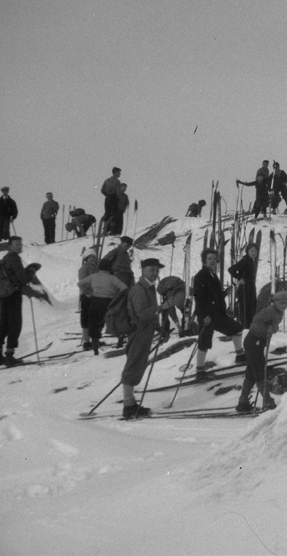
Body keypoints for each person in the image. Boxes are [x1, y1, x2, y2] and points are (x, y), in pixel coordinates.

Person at [121, 258, 172, 419]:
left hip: (146, 332)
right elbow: (143, 313)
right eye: (152, 270)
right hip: (138, 332)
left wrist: (159, 328)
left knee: (138, 365)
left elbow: (149, 313)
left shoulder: (149, 288)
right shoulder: (139, 289)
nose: (155, 273)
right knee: (133, 365)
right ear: (142, 270)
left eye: (157, 270)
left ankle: (131, 403)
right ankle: (128, 406)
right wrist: (163, 307)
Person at [235, 290, 287, 413]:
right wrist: (266, 328)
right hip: (254, 341)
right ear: (274, 302)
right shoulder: (270, 311)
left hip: (258, 343)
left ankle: (243, 402)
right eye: (281, 302)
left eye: (286, 302)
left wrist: (272, 329)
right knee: (259, 371)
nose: (284, 305)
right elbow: (256, 320)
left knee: (251, 372)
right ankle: (267, 402)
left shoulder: (279, 312)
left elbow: (273, 326)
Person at [192, 248, 244, 374]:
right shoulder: (200, 276)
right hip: (207, 316)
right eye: (210, 259)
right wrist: (204, 316)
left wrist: (224, 294)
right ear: (204, 260)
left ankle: (240, 356)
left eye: (214, 259)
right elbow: (200, 298)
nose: (212, 261)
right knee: (204, 342)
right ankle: (199, 370)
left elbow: (213, 295)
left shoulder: (212, 275)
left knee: (236, 328)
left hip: (217, 315)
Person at [0, 237, 41, 365]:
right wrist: (31, 271)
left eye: (20, 245)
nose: (20, 247)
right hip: (13, 294)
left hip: (3, 294)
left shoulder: (4, 259)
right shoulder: (14, 259)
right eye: (17, 245)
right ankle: (9, 355)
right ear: (10, 246)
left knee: (4, 322)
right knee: (15, 322)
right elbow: (23, 279)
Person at [77, 257, 126, 355]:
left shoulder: (93, 276)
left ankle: (95, 351)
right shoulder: (113, 278)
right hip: (108, 302)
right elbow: (124, 288)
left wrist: (87, 293)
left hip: (94, 302)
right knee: (116, 321)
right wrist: (117, 296)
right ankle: (120, 343)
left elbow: (80, 283)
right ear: (110, 268)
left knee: (94, 325)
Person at [229, 243, 260, 328]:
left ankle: (250, 327)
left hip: (250, 286)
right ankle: (245, 328)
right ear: (247, 251)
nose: (254, 253)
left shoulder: (250, 260)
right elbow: (231, 270)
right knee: (245, 309)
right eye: (252, 251)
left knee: (252, 307)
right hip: (245, 288)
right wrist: (240, 278)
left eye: (256, 251)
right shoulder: (245, 260)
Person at [77, 249, 98, 348]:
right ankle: (86, 342)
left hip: (96, 296)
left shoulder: (96, 269)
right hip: (87, 296)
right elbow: (82, 283)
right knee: (85, 318)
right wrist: (87, 292)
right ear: (86, 259)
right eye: (90, 257)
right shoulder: (83, 269)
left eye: (93, 257)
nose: (92, 259)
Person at [100, 167, 123, 235]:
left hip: (107, 198)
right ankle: (112, 230)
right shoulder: (117, 181)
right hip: (114, 198)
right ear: (115, 172)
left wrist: (107, 195)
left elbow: (102, 190)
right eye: (119, 172)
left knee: (107, 213)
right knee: (114, 214)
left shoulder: (107, 180)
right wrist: (117, 199)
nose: (120, 174)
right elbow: (118, 192)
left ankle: (105, 230)